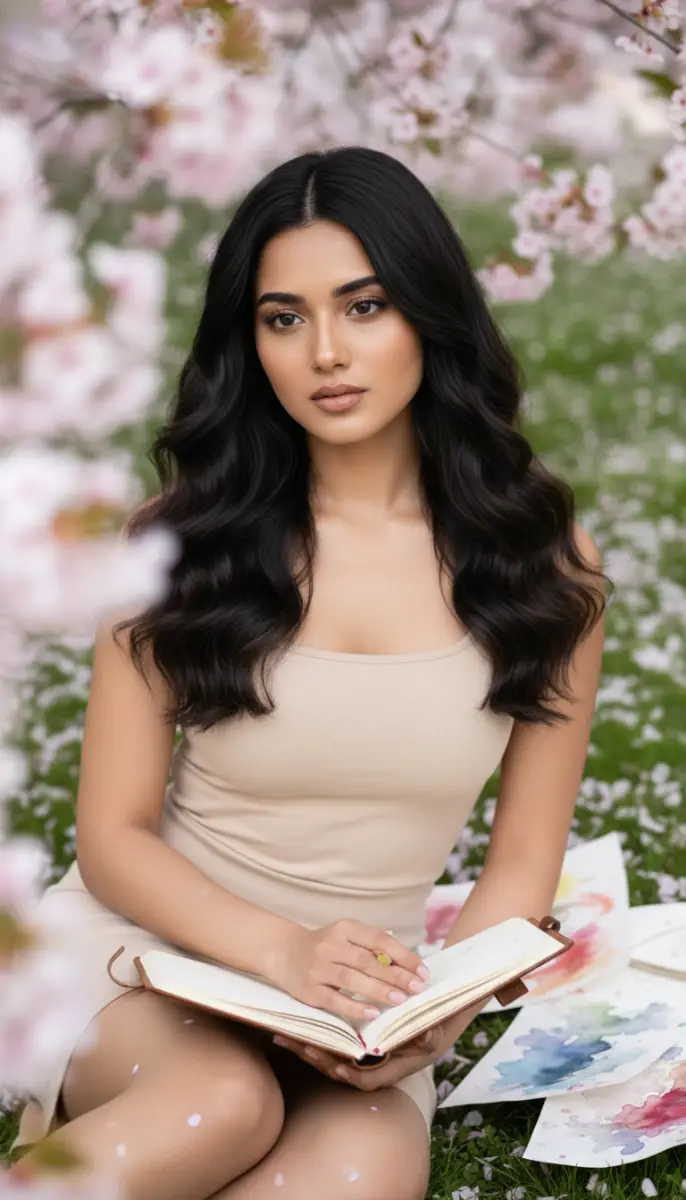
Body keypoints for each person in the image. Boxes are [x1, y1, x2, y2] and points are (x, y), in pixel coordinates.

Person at [9, 145, 607, 1200]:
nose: (325, 351)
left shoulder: (542, 565)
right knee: (225, 1101)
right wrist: (280, 954)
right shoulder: (176, 548)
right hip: (148, 959)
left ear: (430, 313)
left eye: (363, 306)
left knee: (359, 1178)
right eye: (282, 317)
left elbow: (519, 862)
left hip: (361, 1001)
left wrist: (434, 1017)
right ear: (250, 343)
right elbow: (111, 840)